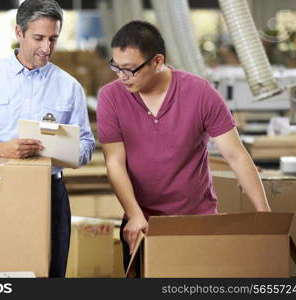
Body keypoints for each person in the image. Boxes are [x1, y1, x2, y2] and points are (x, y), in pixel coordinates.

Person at [96, 21, 271, 274]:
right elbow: (114, 162)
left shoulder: (200, 93)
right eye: (116, 67)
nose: (121, 77)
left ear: (157, 61)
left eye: (129, 69)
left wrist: (264, 214)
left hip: (197, 222)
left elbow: (235, 155)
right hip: (143, 223)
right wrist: (134, 214)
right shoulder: (111, 97)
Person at [0, 0, 95, 278]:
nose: (47, 48)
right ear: (19, 32)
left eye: (53, 38)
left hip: (49, 192)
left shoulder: (70, 87)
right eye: (39, 38)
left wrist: (57, 150)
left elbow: (87, 147)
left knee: (50, 273)